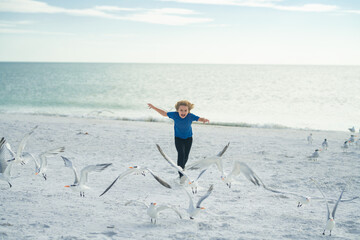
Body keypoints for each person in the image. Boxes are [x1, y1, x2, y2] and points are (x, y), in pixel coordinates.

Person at [148, 100, 209, 183]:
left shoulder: (190, 116)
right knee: (181, 154)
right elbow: (164, 113)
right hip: (178, 139)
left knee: (186, 156)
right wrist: (154, 107)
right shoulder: (174, 115)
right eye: (181, 110)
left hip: (189, 139)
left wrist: (204, 120)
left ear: (188, 111)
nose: (183, 112)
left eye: (185, 110)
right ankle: (181, 175)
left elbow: (199, 118)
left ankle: (182, 170)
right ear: (177, 110)